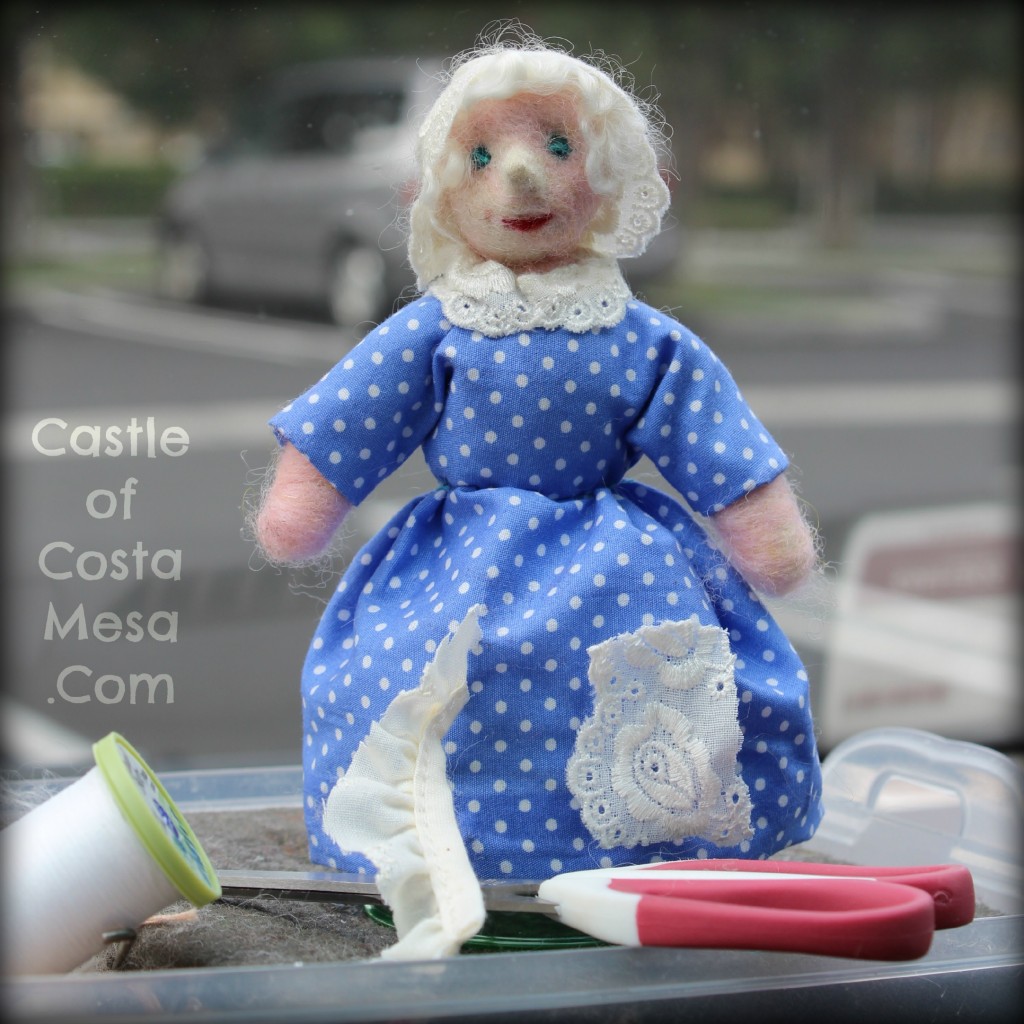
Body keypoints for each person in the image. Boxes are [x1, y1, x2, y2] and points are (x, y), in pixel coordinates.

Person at [256, 30, 823, 885]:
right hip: (460, 557)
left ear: (608, 177)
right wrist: (310, 493)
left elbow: (711, 436)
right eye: (483, 155)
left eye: (558, 148)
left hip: (621, 561)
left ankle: (660, 839)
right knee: (440, 684)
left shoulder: (639, 338)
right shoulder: (440, 328)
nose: (520, 176)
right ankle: (445, 845)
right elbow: (355, 415)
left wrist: (764, 528)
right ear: (445, 191)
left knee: (654, 688)